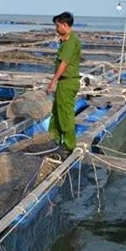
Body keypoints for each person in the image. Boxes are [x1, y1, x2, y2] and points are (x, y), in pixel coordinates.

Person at [46, 11, 82, 155]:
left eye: (58, 26)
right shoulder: (67, 40)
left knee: (65, 114)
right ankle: (54, 139)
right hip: (65, 82)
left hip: (67, 82)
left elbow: (64, 64)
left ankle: (69, 146)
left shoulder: (70, 42)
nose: (56, 29)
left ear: (65, 25)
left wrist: (53, 82)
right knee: (56, 112)